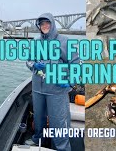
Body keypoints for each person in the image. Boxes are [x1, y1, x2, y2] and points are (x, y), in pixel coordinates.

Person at [25, 13, 80, 151]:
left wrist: (70, 82)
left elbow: (76, 64)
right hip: (38, 89)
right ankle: (38, 140)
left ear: (53, 24)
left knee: (58, 122)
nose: (44, 26)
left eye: (47, 23)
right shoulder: (36, 42)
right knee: (38, 118)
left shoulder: (64, 41)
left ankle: (62, 147)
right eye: (42, 24)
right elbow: (29, 60)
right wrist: (34, 65)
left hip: (57, 90)